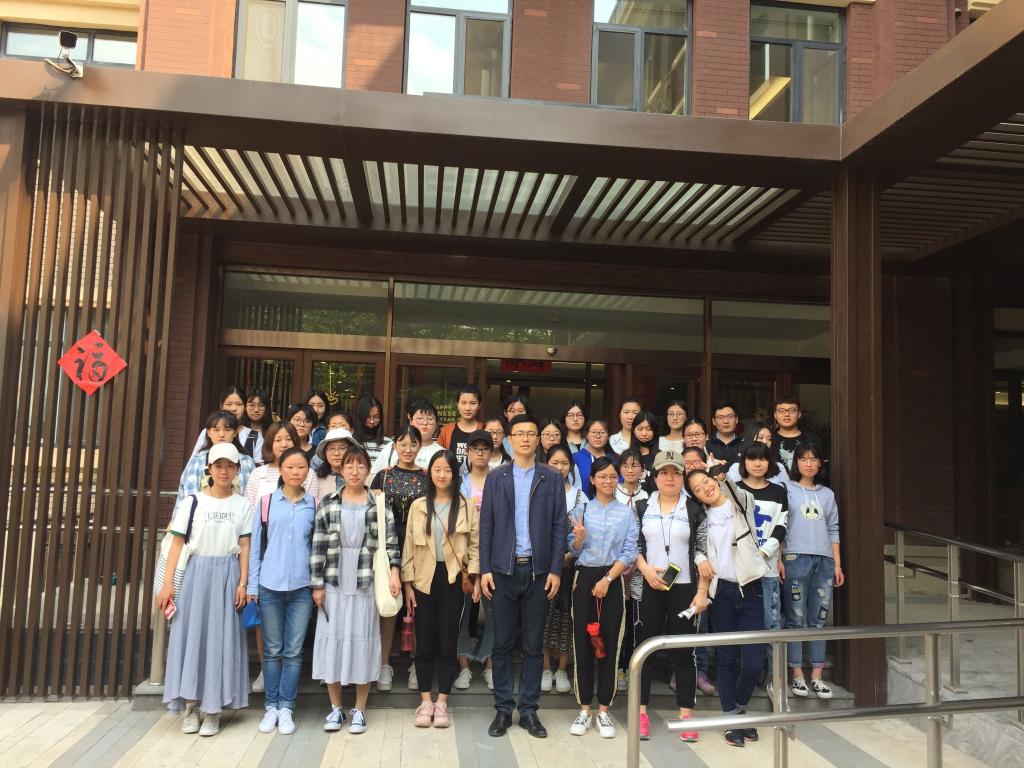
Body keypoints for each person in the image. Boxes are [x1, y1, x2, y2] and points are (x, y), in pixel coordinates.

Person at [480, 413, 567, 739]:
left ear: (538, 439)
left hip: (538, 571)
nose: (526, 439)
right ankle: (503, 709)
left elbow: (559, 526)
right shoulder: (496, 477)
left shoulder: (551, 478)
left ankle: (529, 710)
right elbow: (486, 526)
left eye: (532, 433)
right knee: (502, 643)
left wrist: (556, 569)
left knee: (533, 645)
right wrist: (485, 569)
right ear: (509, 439)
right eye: (520, 433)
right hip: (502, 571)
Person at [157, 443, 253, 737]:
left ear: (237, 470)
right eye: (218, 466)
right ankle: (191, 705)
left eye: (230, 466)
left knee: (221, 640)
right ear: (209, 469)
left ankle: (213, 710)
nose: (224, 471)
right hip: (196, 573)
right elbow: (177, 544)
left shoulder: (243, 505)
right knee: (191, 637)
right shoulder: (192, 502)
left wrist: (243, 582)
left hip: (227, 573)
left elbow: (245, 546)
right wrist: (167, 583)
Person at [311, 446, 401, 735]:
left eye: (360, 465)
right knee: (332, 640)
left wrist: (395, 573)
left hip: (366, 580)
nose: (354, 471)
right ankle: (336, 708)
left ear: (368, 471)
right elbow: (317, 545)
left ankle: (360, 708)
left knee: (363, 639)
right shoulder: (328, 502)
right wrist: (316, 584)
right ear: (341, 469)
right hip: (334, 579)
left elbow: (391, 544)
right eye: (349, 465)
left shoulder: (379, 504)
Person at [687, 466, 779, 748]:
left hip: (750, 589)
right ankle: (731, 717)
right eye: (698, 489)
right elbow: (697, 547)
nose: (706, 488)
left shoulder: (741, 503)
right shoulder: (703, 518)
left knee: (753, 662)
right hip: (722, 592)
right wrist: (700, 558)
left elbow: (736, 493)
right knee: (726, 658)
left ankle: (738, 709)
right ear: (696, 497)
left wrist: (723, 478)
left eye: (706, 481)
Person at [632, 450, 710, 743]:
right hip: (649, 585)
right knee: (645, 650)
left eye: (676, 473)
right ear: (655, 477)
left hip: (684, 588)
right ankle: (640, 712)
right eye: (664, 472)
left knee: (684, 652)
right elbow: (632, 544)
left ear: (682, 477)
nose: (670, 478)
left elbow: (703, 550)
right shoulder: (642, 506)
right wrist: (645, 570)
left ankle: (686, 714)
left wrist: (702, 591)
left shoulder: (694, 509)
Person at [403, 451, 480, 728]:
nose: (442, 475)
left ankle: (443, 702)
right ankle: (425, 701)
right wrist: (408, 584)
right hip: (423, 578)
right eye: (437, 469)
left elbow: (475, 545)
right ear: (430, 473)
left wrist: (476, 579)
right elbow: (408, 547)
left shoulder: (466, 505)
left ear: (455, 474)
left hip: (453, 579)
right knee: (424, 641)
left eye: (447, 470)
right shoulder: (418, 505)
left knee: (448, 642)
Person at [247, 447, 318, 736]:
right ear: (281, 470)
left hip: (302, 587)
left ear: (307, 472)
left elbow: (317, 548)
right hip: (269, 586)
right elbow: (255, 548)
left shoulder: (314, 505)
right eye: (290, 467)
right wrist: (252, 586)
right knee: (272, 651)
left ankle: (287, 706)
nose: (296, 472)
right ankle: (271, 706)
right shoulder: (265, 503)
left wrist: (317, 584)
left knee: (294, 651)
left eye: (301, 467)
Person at [566, 457, 638, 739]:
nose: (608, 481)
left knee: (610, 642)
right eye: (602, 477)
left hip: (613, 577)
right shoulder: (581, 510)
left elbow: (630, 550)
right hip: (584, 577)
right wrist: (580, 537)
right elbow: (572, 548)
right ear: (592, 480)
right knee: (583, 642)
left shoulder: (626, 513)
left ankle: (604, 710)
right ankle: (584, 709)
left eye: (612, 477)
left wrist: (608, 580)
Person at [369, 426, 429, 693]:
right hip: (387, 546)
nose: (407, 449)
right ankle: (384, 663)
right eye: (402, 444)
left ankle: (417, 663)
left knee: (418, 607)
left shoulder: (427, 476)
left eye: (412, 444)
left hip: (420, 546)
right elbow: (372, 511)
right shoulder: (383, 476)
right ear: (394, 446)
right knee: (390, 603)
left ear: (419, 447)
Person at [782, 440, 843, 699]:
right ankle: (797, 675)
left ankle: (817, 676)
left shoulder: (827, 494)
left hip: (824, 561)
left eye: (813, 459)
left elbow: (833, 529)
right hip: (795, 558)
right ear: (796, 462)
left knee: (819, 619)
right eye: (803, 459)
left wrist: (837, 563)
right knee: (795, 618)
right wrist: (779, 558)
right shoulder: (787, 489)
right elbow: (780, 524)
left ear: (820, 463)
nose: (808, 464)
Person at [735, 442, 789, 692]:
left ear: (770, 463)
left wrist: (764, 551)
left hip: (767, 568)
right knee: (740, 622)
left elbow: (781, 525)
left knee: (771, 621)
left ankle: (773, 678)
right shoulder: (735, 489)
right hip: (738, 570)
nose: (757, 464)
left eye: (763, 459)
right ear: (744, 462)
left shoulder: (778, 492)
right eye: (752, 458)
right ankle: (744, 673)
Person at [456, 431, 497, 690]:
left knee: (494, 613)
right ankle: (464, 667)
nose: (480, 452)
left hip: (494, 554)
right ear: (468, 452)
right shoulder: (459, 482)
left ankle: (491, 666)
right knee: (462, 613)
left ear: (491, 452)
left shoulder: (499, 480)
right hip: (463, 555)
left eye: (485, 448)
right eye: (475, 448)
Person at [540, 445, 581, 695]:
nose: (559, 467)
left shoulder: (579, 496)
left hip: (570, 565)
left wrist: (568, 556)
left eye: (564, 463)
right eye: (554, 462)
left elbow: (583, 533)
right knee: (542, 615)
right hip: (543, 564)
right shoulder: (539, 490)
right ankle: (545, 667)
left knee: (566, 614)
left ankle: (562, 668)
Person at [176, 411, 255, 503]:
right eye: (216, 430)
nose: (221, 434)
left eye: (227, 430)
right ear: (208, 432)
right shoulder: (197, 461)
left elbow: (252, 498)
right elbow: (186, 497)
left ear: (235, 432)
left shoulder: (247, 462)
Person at [369, 399, 444, 482]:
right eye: (420, 418)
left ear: (436, 423)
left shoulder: (441, 453)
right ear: (410, 419)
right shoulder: (393, 447)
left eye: (430, 419)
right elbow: (373, 477)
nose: (425, 423)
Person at [188, 386, 246, 457]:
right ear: (221, 406)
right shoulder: (206, 432)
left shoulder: (253, 437)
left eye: (239, 404)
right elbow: (194, 459)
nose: (233, 408)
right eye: (229, 404)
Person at [437, 383, 484, 464]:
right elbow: (438, 460)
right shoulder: (445, 431)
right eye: (463, 403)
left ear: (479, 405)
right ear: (457, 404)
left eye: (472, 403)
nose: (467, 408)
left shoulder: (485, 429)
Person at [574, 419, 618, 499]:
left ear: (608, 436)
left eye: (602, 432)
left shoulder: (615, 459)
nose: (598, 436)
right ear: (587, 435)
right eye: (594, 432)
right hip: (582, 505)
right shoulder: (575, 458)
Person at [315, 428, 362, 500]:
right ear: (325, 452)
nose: (336, 453)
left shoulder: (363, 476)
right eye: (331, 448)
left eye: (342, 448)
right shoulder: (316, 478)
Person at [772, 396, 813, 473]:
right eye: (781, 411)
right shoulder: (769, 439)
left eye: (792, 410)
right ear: (775, 415)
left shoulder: (811, 439)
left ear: (799, 414)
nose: (786, 414)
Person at [352, 395, 392, 464]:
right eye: (368, 417)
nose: (372, 421)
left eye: (376, 417)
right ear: (360, 417)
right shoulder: (350, 441)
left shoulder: (388, 444)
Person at [707, 401, 747, 467]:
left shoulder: (746, 443)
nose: (726, 421)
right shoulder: (707, 444)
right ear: (713, 421)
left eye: (730, 417)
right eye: (720, 417)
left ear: (736, 419)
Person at [628, 411, 659, 490]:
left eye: (649, 429)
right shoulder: (627, 455)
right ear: (633, 430)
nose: (644, 433)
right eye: (640, 429)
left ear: (655, 431)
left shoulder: (660, 456)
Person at [240, 388, 272, 464]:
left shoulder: (273, 431)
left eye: (261, 405)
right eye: (252, 405)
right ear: (245, 407)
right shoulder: (239, 430)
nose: (256, 410)